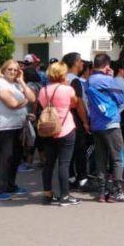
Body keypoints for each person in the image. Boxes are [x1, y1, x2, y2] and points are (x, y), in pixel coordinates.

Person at [87, 54, 124, 203]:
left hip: (96, 124)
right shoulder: (107, 80)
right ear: (107, 66)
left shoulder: (89, 80)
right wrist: (111, 78)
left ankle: (102, 192)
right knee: (118, 156)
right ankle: (117, 191)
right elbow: (120, 98)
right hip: (110, 122)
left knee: (100, 158)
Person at [0, 60, 36, 201]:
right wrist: (25, 103)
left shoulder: (16, 84)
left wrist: (22, 82)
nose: (13, 72)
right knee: (5, 158)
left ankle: (10, 185)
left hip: (19, 125)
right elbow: (12, 104)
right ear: (3, 70)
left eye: (16, 70)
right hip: (5, 126)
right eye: (10, 69)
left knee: (16, 158)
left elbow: (33, 98)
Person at [37, 62, 80, 206]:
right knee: (64, 164)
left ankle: (47, 193)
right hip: (66, 128)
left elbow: (43, 105)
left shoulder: (43, 90)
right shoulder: (67, 89)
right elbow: (74, 103)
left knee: (49, 163)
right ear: (63, 74)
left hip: (49, 129)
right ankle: (65, 196)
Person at [61, 53, 91, 191]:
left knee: (68, 152)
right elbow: (79, 103)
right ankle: (82, 180)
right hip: (75, 119)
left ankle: (70, 177)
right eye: (80, 61)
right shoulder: (75, 81)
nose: (82, 64)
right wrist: (85, 122)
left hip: (63, 118)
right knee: (80, 150)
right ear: (75, 63)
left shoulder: (61, 78)